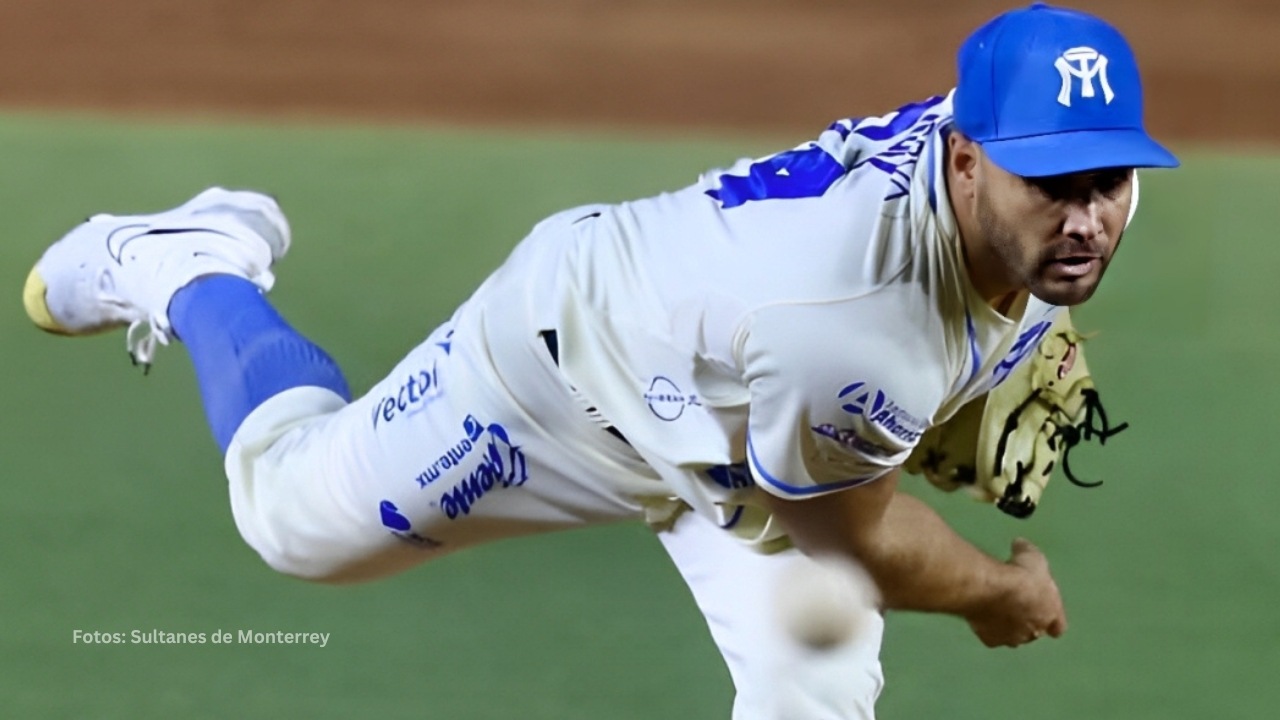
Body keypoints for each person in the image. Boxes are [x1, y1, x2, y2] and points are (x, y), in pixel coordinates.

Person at [22, 3, 1177, 718]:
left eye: (1106, 184)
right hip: (564, 376)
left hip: (742, 419)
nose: (1084, 221)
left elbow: (959, 298)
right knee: (288, 520)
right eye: (1052, 187)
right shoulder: (854, 326)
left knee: (812, 688)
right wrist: (998, 592)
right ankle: (192, 263)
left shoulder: (994, 160)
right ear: (965, 159)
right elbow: (858, 541)